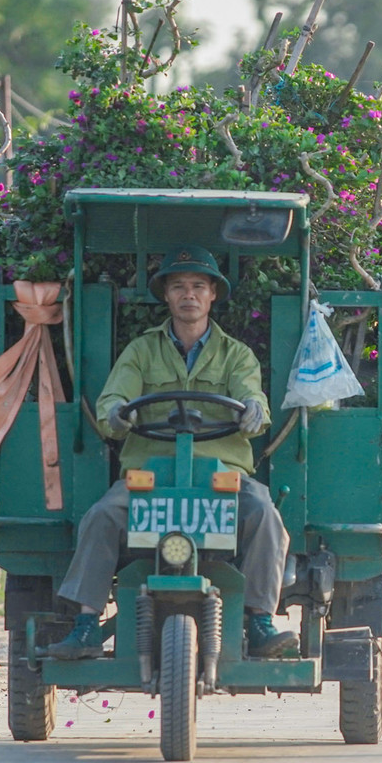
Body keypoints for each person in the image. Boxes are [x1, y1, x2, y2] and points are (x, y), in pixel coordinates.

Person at [48, 245, 298, 660]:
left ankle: (259, 621)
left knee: (264, 513)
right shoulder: (141, 351)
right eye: (179, 286)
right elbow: (114, 399)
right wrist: (116, 413)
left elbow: (252, 395)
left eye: (199, 286)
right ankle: (87, 624)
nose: (189, 295)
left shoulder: (236, 354)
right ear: (166, 294)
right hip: (150, 475)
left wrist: (254, 410)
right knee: (102, 516)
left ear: (213, 294)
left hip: (220, 476)